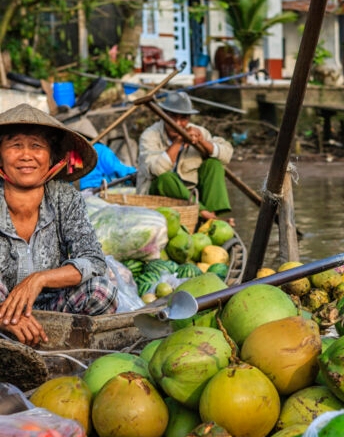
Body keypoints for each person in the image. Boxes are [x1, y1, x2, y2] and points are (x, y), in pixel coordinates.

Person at [0, 103, 119, 346]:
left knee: (102, 292)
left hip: (55, 310)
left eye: (36, 146)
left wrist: (39, 279)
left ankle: (61, 344)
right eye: (15, 145)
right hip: (2, 311)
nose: (26, 155)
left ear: (52, 157)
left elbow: (94, 261)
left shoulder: (65, 197)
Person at [136, 91, 234, 222]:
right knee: (165, 178)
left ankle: (211, 215)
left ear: (188, 119)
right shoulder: (150, 135)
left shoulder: (197, 131)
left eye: (183, 118)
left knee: (214, 164)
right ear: (164, 115)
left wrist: (202, 142)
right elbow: (157, 170)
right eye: (172, 117)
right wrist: (178, 142)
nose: (177, 123)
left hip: (192, 196)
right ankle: (205, 214)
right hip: (159, 196)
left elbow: (227, 154)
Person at [66, 117, 137, 191]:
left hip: (74, 194)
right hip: (96, 191)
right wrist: (134, 172)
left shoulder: (67, 153)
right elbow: (115, 168)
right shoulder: (99, 148)